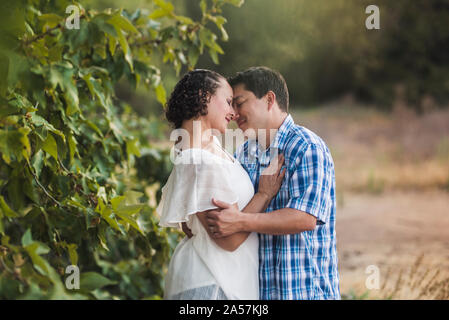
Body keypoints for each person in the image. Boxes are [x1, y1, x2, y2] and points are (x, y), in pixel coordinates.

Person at [192, 66, 341, 300]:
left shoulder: (307, 147)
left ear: (269, 99)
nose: (233, 113)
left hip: (302, 292)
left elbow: (304, 218)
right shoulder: (243, 153)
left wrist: (241, 220)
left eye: (239, 102)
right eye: (230, 104)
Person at [156, 69, 286, 300]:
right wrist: (263, 195)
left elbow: (191, 225)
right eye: (228, 102)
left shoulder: (209, 149)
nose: (233, 112)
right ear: (203, 97)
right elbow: (230, 240)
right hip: (211, 284)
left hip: (220, 280)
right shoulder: (199, 161)